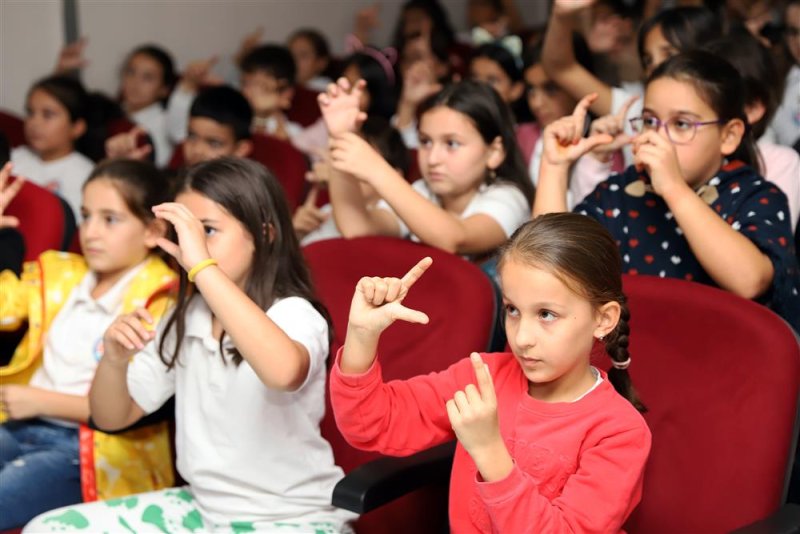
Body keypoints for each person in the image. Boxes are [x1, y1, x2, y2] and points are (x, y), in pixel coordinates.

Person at [25, 158, 355, 533]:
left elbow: (283, 372)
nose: (192, 247)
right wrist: (114, 360)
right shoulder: (185, 316)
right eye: (186, 233)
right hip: (201, 508)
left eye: (208, 231)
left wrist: (201, 268)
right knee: (48, 527)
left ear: (265, 233)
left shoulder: (294, 313)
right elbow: (112, 418)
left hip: (291, 515)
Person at [330, 212, 651, 533]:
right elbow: (370, 423)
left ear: (604, 319)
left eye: (546, 314)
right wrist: (362, 335)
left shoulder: (619, 432)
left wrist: (489, 451)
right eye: (512, 310)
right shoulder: (483, 377)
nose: (522, 338)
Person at [533, 50, 800, 331]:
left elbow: (749, 281)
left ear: (729, 135)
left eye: (682, 124)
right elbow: (548, 267)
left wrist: (674, 188)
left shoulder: (755, 195)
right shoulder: (620, 192)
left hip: (727, 363)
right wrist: (554, 167)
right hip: (630, 360)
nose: (658, 137)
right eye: (649, 121)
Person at [0, 159, 177, 530]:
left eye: (109, 219)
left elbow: (140, 406)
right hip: (18, 423)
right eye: (85, 215)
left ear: (152, 230)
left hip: (88, 450)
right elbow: (3, 310)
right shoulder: (61, 272)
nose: (90, 232)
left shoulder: (163, 296)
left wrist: (41, 401)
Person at [322, 78, 533, 261]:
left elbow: (453, 238)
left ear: (494, 152)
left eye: (452, 143)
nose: (432, 159)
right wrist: (340, 138)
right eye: (425, 141)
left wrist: (376, 168)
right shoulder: (422, 191)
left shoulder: (509, 197)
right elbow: (357, 228)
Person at [10, 75, 95, 216]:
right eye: (30, 112)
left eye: (48, 115)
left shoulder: (87, 177)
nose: (34, 123)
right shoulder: (15, 157)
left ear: (77, 127)